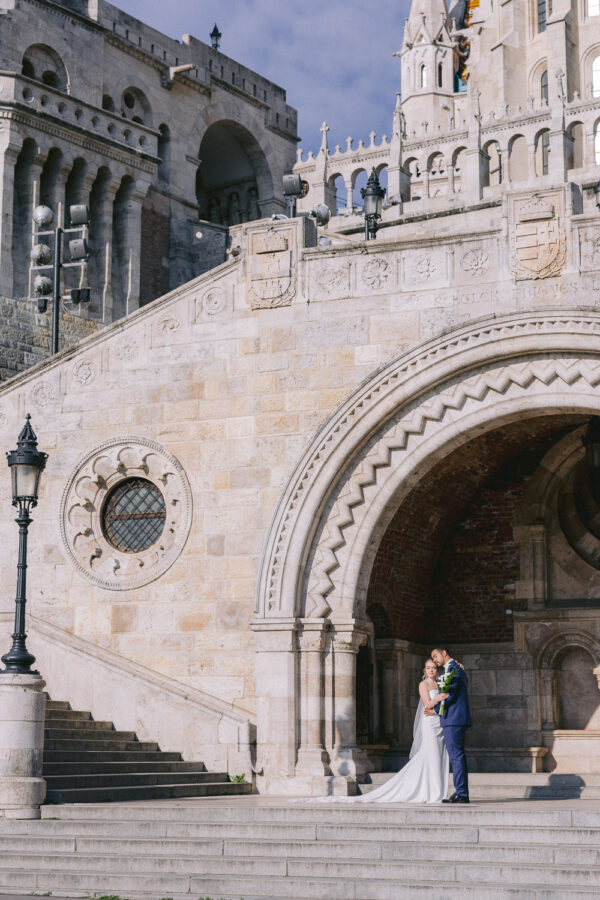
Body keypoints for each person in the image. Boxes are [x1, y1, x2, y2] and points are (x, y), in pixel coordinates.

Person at [346, 658, 450, 803]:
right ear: (425, 670)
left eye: (433, 667)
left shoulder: (439, 683)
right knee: (431, 754)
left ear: (437, 670)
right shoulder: (423, 684)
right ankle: (433, 792)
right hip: (429, 724)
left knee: (438, 755)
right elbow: (427, 704)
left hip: (438, 722)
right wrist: (438, 698)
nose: (431, 670)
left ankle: (436, 790)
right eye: (428, 668)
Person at [431, 646, 472, 804]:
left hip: (454, 719)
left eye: (435, 656)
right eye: (433, 658)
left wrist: (434, 709)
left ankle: (462, 793)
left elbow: (449, 695)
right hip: (453, 719)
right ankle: (460, 791)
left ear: (444, 653)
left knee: (456, 756)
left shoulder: (454, 669)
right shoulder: (453, 668)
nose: (435, 660)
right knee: (456, 756)